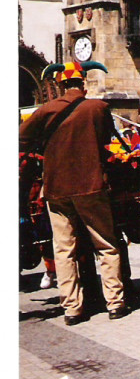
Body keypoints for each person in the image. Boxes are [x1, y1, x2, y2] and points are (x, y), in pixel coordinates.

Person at [19, 61, 128, 325]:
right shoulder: (98, 108)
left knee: (64, 249)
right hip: (91, 185)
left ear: (60, 84)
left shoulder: (46, 110)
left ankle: (72, 309)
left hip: (56, 189)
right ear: (83, 82)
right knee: (105, 244)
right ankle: (115, 303)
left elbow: (21, 139)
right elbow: (106, 140)